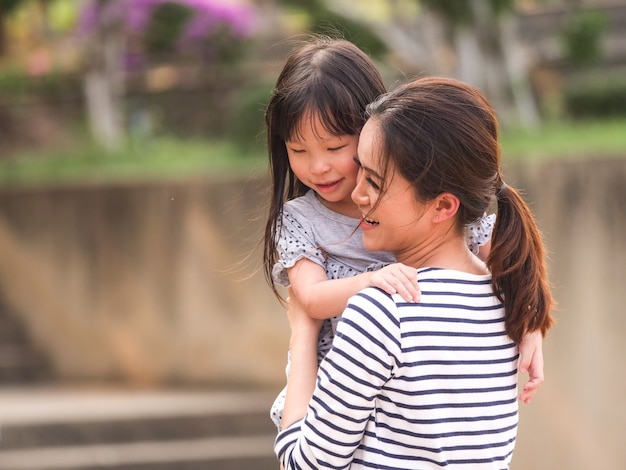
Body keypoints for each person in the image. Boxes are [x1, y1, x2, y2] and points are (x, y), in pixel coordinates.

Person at [263, 37, 543, 432]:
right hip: (336, 392)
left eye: (335, 146)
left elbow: (507, 265)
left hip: (417, 392)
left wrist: (531, 328)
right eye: (298, 151)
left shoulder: (433, 200)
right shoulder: (302, 219)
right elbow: (309, 298)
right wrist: (372, 281)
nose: (318, 167)